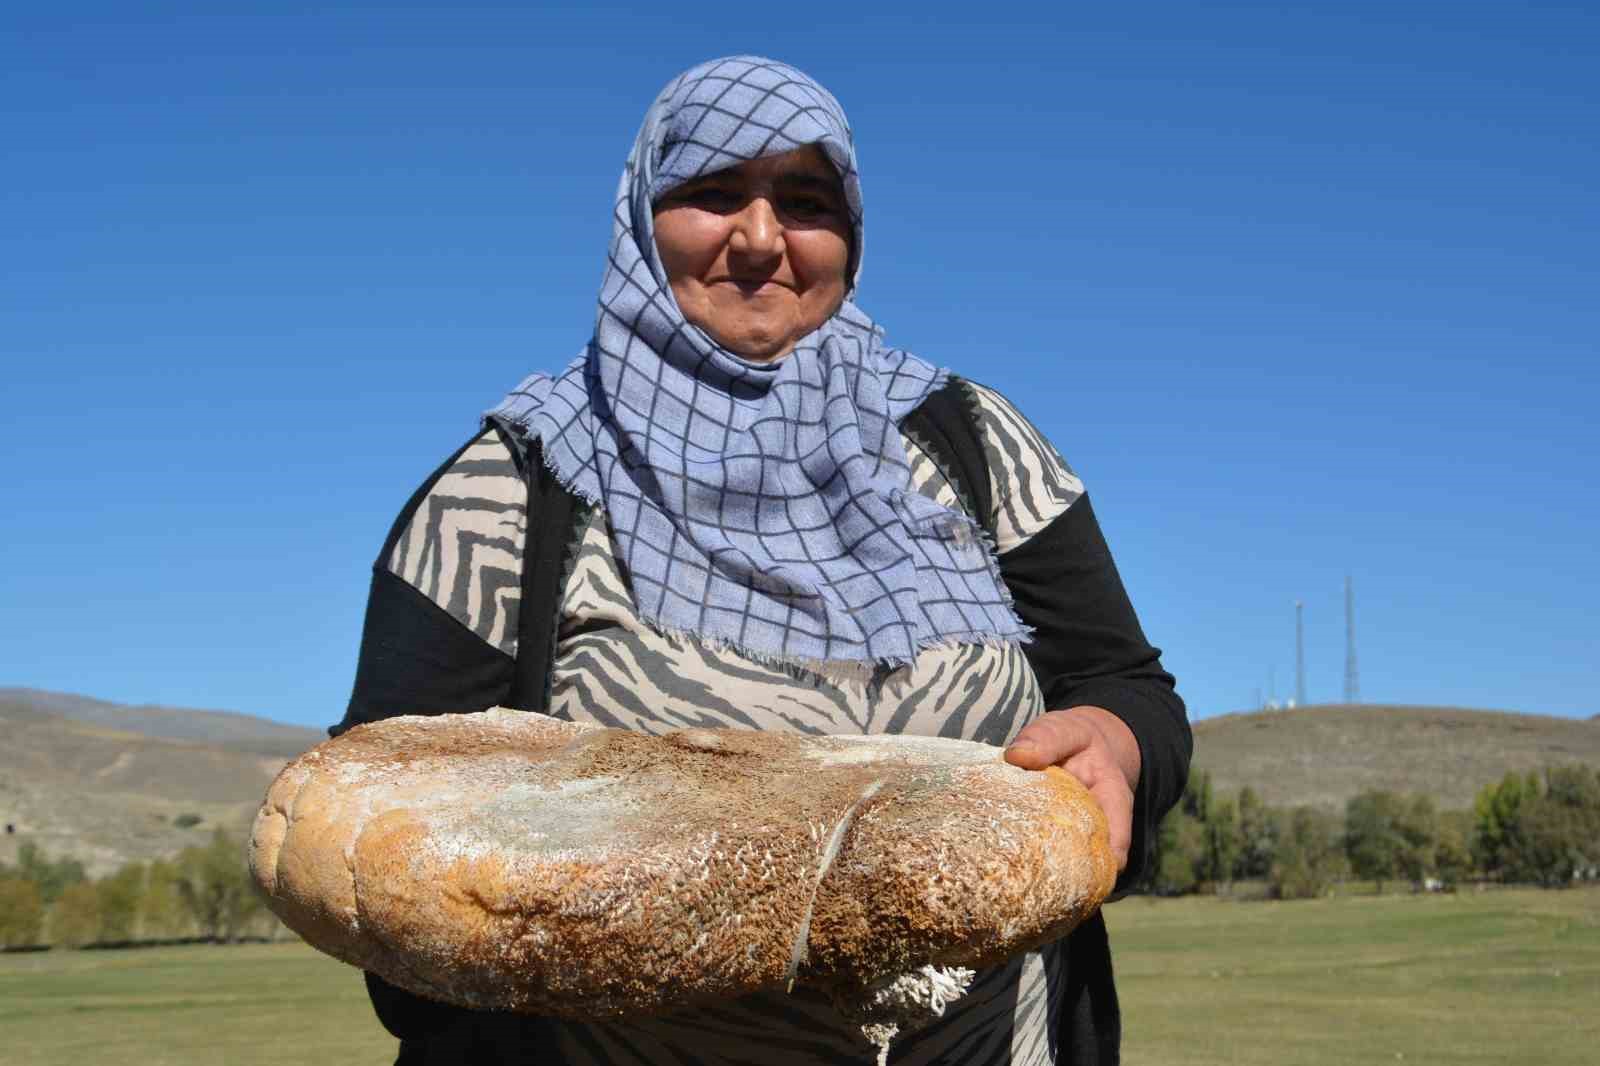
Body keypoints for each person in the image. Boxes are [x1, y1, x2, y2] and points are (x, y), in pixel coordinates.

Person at [333, 55, 1190, 1066]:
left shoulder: (977, 448)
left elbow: (1127, 688)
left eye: (805, 199)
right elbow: (384, 838)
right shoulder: (512, 488)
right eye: (709, 191)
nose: (759, 237)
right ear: (640, 220)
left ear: (852, 237)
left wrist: (1114, 740)